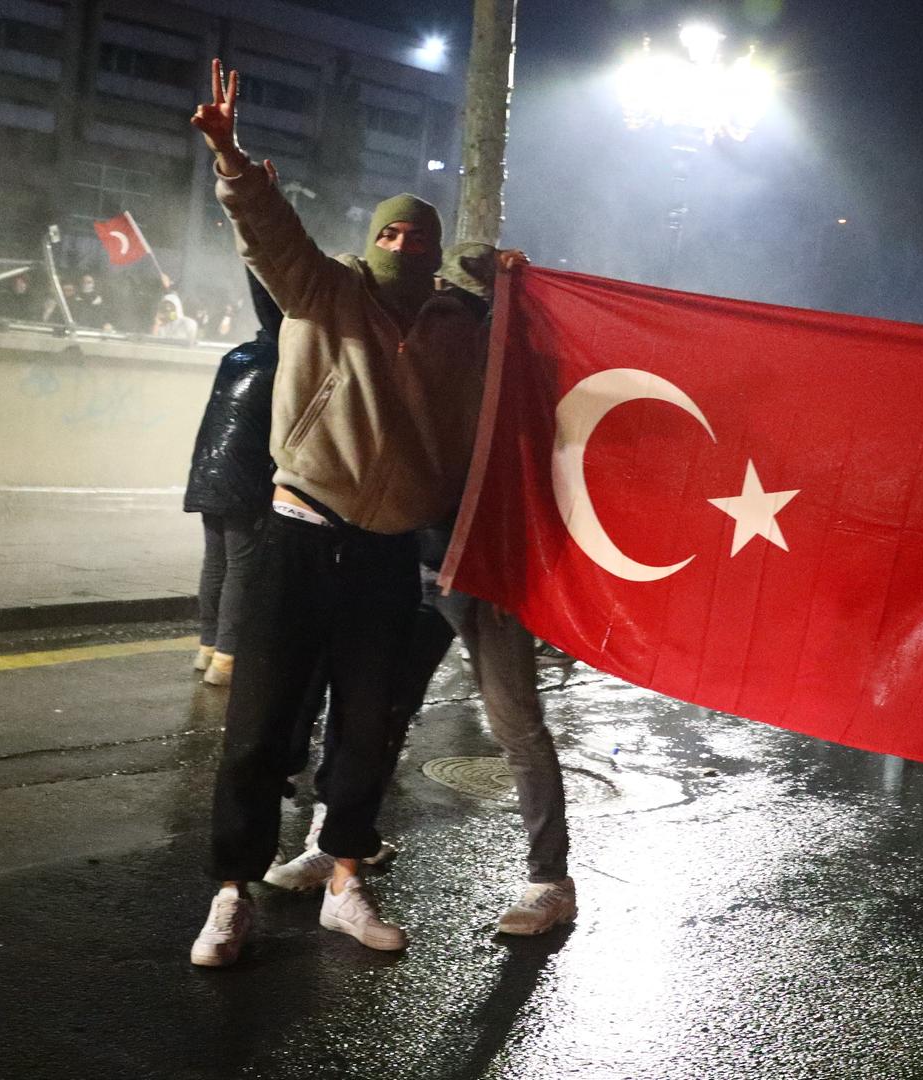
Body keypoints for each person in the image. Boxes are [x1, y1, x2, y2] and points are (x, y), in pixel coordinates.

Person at [186, 58, 484, 968]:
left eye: (421, 236)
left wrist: (508, 281)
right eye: (392, 232)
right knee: (258, 729)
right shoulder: (320, 288)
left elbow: (519, 329)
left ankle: (345, 882)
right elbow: (264, 231)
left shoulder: (457, 326)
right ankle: (232, 892)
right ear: (370, 239)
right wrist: (231, 158)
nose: (407, 244)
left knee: (368, 728)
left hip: (389, 556)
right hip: (298, 538)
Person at [266, 241, 579, 937]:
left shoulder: (524, 375)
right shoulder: (427, 348)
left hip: (487, 569)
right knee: (372, 713)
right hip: (417, 555)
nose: (453, 316)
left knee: (514, 722)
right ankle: (339, 843)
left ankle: (551, 879)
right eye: (451, 301)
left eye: (469, 305)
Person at [184, 271, 282, 686]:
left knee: (216, 563)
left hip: (208, 472)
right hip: (244, 480)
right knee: (242, 568)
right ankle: (227, 657)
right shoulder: (286, 363)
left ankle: (206, 649)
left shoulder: (237, 356)